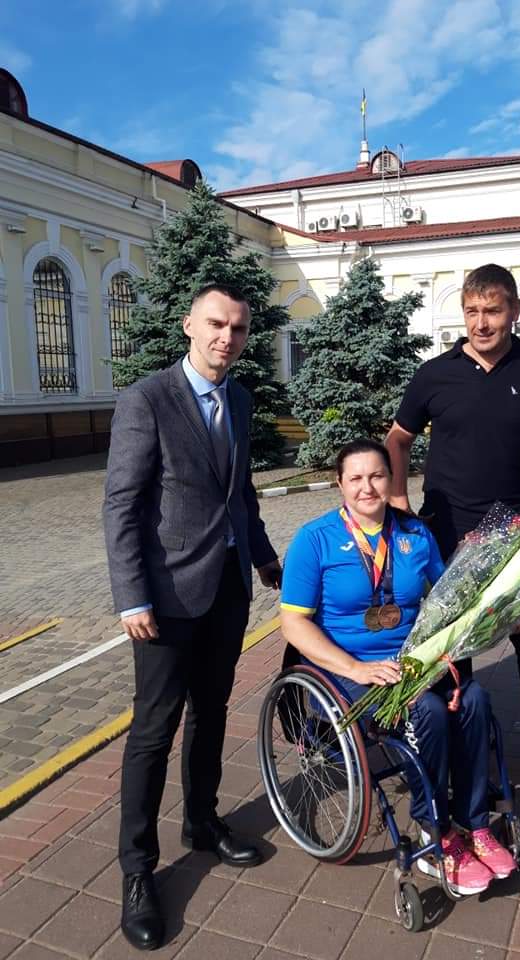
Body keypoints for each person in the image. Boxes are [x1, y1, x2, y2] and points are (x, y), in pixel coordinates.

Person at [385, 263, 520, 804]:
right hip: (446, 529)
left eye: (492, 311)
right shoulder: (434, 374)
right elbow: (397, 439)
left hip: (515, 532)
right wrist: (398, 503)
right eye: (471, 311)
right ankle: (462, 760)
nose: (481, 323)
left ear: (514, 312)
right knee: (451, 650)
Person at [103, 284, 282, 951]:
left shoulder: (240, 399)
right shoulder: (147, 400)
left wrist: (262, 556)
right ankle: (138, 871)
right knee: (153, 731)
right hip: (165, 601)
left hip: (226, 591)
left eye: (237, 328)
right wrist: (131, 597)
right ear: (189, 325)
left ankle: (202, 822)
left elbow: (241, 493)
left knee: (211, 712)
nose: (225, 338)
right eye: (215, 324)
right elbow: (121, 505)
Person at [280, 438, 517, 895]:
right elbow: (293, 624)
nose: (367, 487)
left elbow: (445, 598)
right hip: (345, 671)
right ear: (339, 484)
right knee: (427, 711)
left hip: (410, 662)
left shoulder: (414, 533)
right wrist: (354, 668)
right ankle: (434, 832)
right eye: (356, 478)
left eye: (377, 476)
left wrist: (495, 606)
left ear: (391, 479)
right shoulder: (315, 540)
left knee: (473, 699)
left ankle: (475, 824)